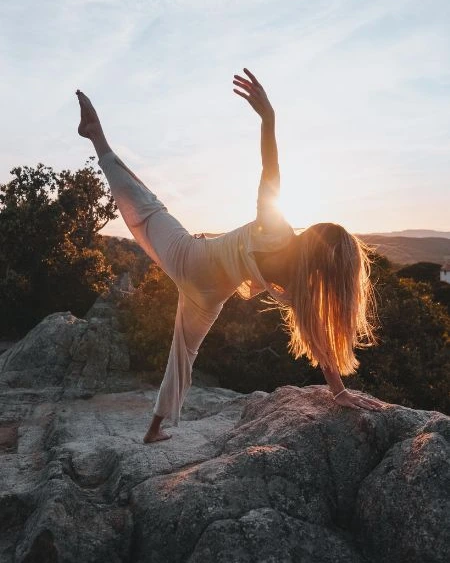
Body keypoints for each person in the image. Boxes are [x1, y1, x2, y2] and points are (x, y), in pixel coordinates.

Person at [76, 68, 389, 443]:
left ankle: (97, 138)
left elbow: (270, 173)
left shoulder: (281, 236)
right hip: (209, 295)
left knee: (150, 208)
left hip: (191, 260)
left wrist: (269, 119)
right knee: (184, 354)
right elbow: (318, 338)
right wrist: (337, 391)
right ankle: (153, 429)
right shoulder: (298, 282)